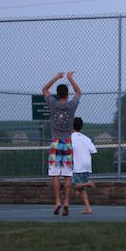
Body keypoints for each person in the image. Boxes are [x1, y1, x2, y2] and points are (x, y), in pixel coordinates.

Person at [42, 71, 81, 216]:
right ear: (67, 94)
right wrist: (70, 78)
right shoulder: (71, 106)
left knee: (55, 175)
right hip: (67, 143)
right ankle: (66, 202)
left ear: (57, 94)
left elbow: (45, 90)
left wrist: (57, 77)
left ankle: (57, 201)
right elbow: (78, 92)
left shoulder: (52, 103)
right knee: (67, 176)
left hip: (55, 143)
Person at [70, 117, 98, 214]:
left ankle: (88, 183)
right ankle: (88, 208)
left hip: (78, 165)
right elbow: (93, 150)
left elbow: (69, 150)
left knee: (74, 185)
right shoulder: (86, 138)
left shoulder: (70, 137)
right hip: (87, 165)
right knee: (81, 189)